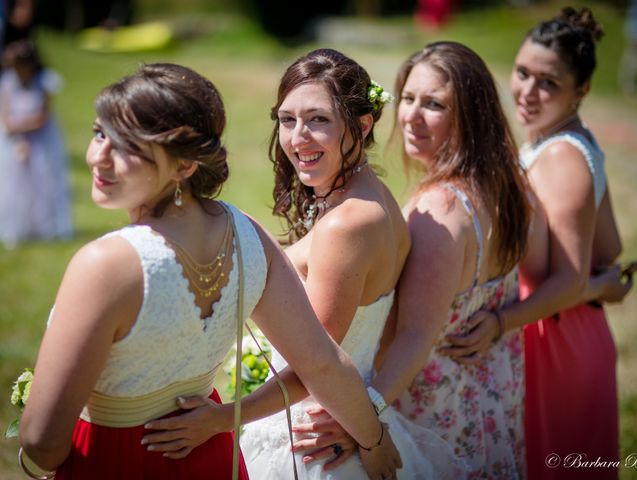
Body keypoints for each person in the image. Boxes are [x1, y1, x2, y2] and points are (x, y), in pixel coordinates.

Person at [18, 62, 402, 480]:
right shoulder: (247, 234)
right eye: (99, 133)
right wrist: (375, 439)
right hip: (212, 459)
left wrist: (33, 463)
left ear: (186, 165)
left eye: (127, 145)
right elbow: (323, 362)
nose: (99, 156)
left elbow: (42, 441)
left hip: (114, 459)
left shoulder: (103, 264)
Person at [141, 48, 465, 480]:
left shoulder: (347, 226)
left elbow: (315, 365)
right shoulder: (373, 197)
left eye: (318, 120)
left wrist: (223, 419)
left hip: (313, 442)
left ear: (362, 125)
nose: (297, 138)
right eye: (287, 119)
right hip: (345, 419)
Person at [290, 41, 532, 478]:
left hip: (434, 406)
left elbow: (415, 336)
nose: (411, 117)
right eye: (408, 99)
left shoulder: (439, 211)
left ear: (471, 116)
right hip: (493, 390)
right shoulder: (503, 188)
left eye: (434, 104)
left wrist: (366, 417)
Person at [443, 7, 632, 479]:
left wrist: (500, 321)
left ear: (581, 91)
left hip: (557, 338)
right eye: (522, 72)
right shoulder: (559, 143)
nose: (527, 91)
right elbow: (609, 249)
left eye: (547, 82)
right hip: (557, 325)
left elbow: (568, 279)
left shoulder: (562, 158)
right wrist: (603, 281)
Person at [0, 39, 72, 248]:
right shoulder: (7, 82)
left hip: (42, 141)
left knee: (43, 183)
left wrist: (17, 128)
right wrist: (15, 136)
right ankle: (18, 227)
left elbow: (41, 118)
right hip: (12, 141)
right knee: (14, 184)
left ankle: (44, 227)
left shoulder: (45, 81)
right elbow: (5, 115)